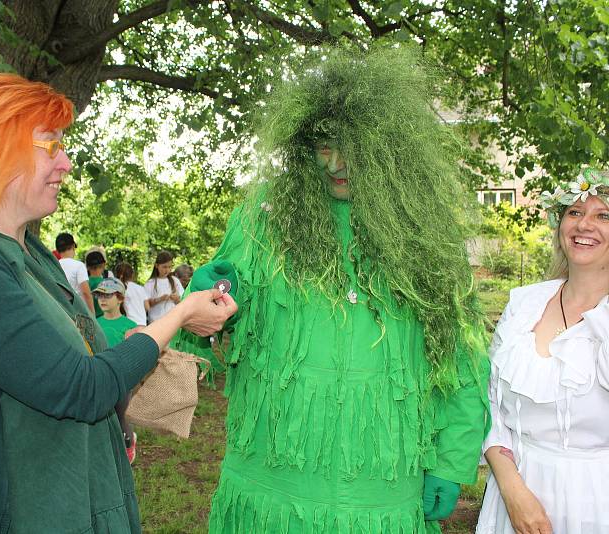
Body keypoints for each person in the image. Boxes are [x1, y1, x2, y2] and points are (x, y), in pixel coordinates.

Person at [0, 72, 236, 533]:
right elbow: (79, 390)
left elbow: (65, 366)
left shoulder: (33, 254)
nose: (67, 163)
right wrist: (180, 313)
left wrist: (129, 355)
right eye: (50, 145)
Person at [182, 47, 490, 532]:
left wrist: (453, 461)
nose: (336, 162)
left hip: (383, 486)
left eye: (353, 145)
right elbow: (225, 300)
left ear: (390, 148)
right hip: (273, 480)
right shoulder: (264, 217)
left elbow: (462, 360)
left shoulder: (427, 235)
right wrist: (216, 294)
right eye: (324, 145)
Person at [476, 167, 609, 534]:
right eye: (574, 212)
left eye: (603, 215)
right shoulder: (523, 304)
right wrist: (512, 491)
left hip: (601, 503)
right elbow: (490, 404)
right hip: (514, 500)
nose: (584, 224)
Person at [94, 277, 139, 463]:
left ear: (120, 298)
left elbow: (135, 358)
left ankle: (128, 444)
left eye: (108, 295)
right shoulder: (93, 323)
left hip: (122, 380)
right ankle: (106, 450)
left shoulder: (129, 327)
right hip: (99, 377)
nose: (102, 299)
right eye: (99, 295)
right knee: (101, 418)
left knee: (121, 415)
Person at [55, 232, 94, 311]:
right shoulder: (79, 266)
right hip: (78, 310)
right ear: (73, 246)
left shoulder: (54, 266)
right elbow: (86, 293)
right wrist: (92, 313)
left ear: (57, 250)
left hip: (60, 310)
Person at [144, 251, 184, 324]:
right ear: (157, 266)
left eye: (170, 267)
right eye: (164, 267)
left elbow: (183, 302)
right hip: (155, 322)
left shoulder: (175, 281)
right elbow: (146, 306)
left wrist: (177, 299)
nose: (167, 270)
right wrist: (160, 299)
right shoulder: (150, 283)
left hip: (172, 322)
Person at [115, 262, 150, 326]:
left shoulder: (118, 289)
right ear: (132, 274)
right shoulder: (140, 288)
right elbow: (147, 307)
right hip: (142, 324)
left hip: (128, 324)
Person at [86, 250, 107, 317]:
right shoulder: (105, 283)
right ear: (104, 265)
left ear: (87, 267)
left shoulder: (84, 283)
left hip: (89, 318)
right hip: (102, 319)